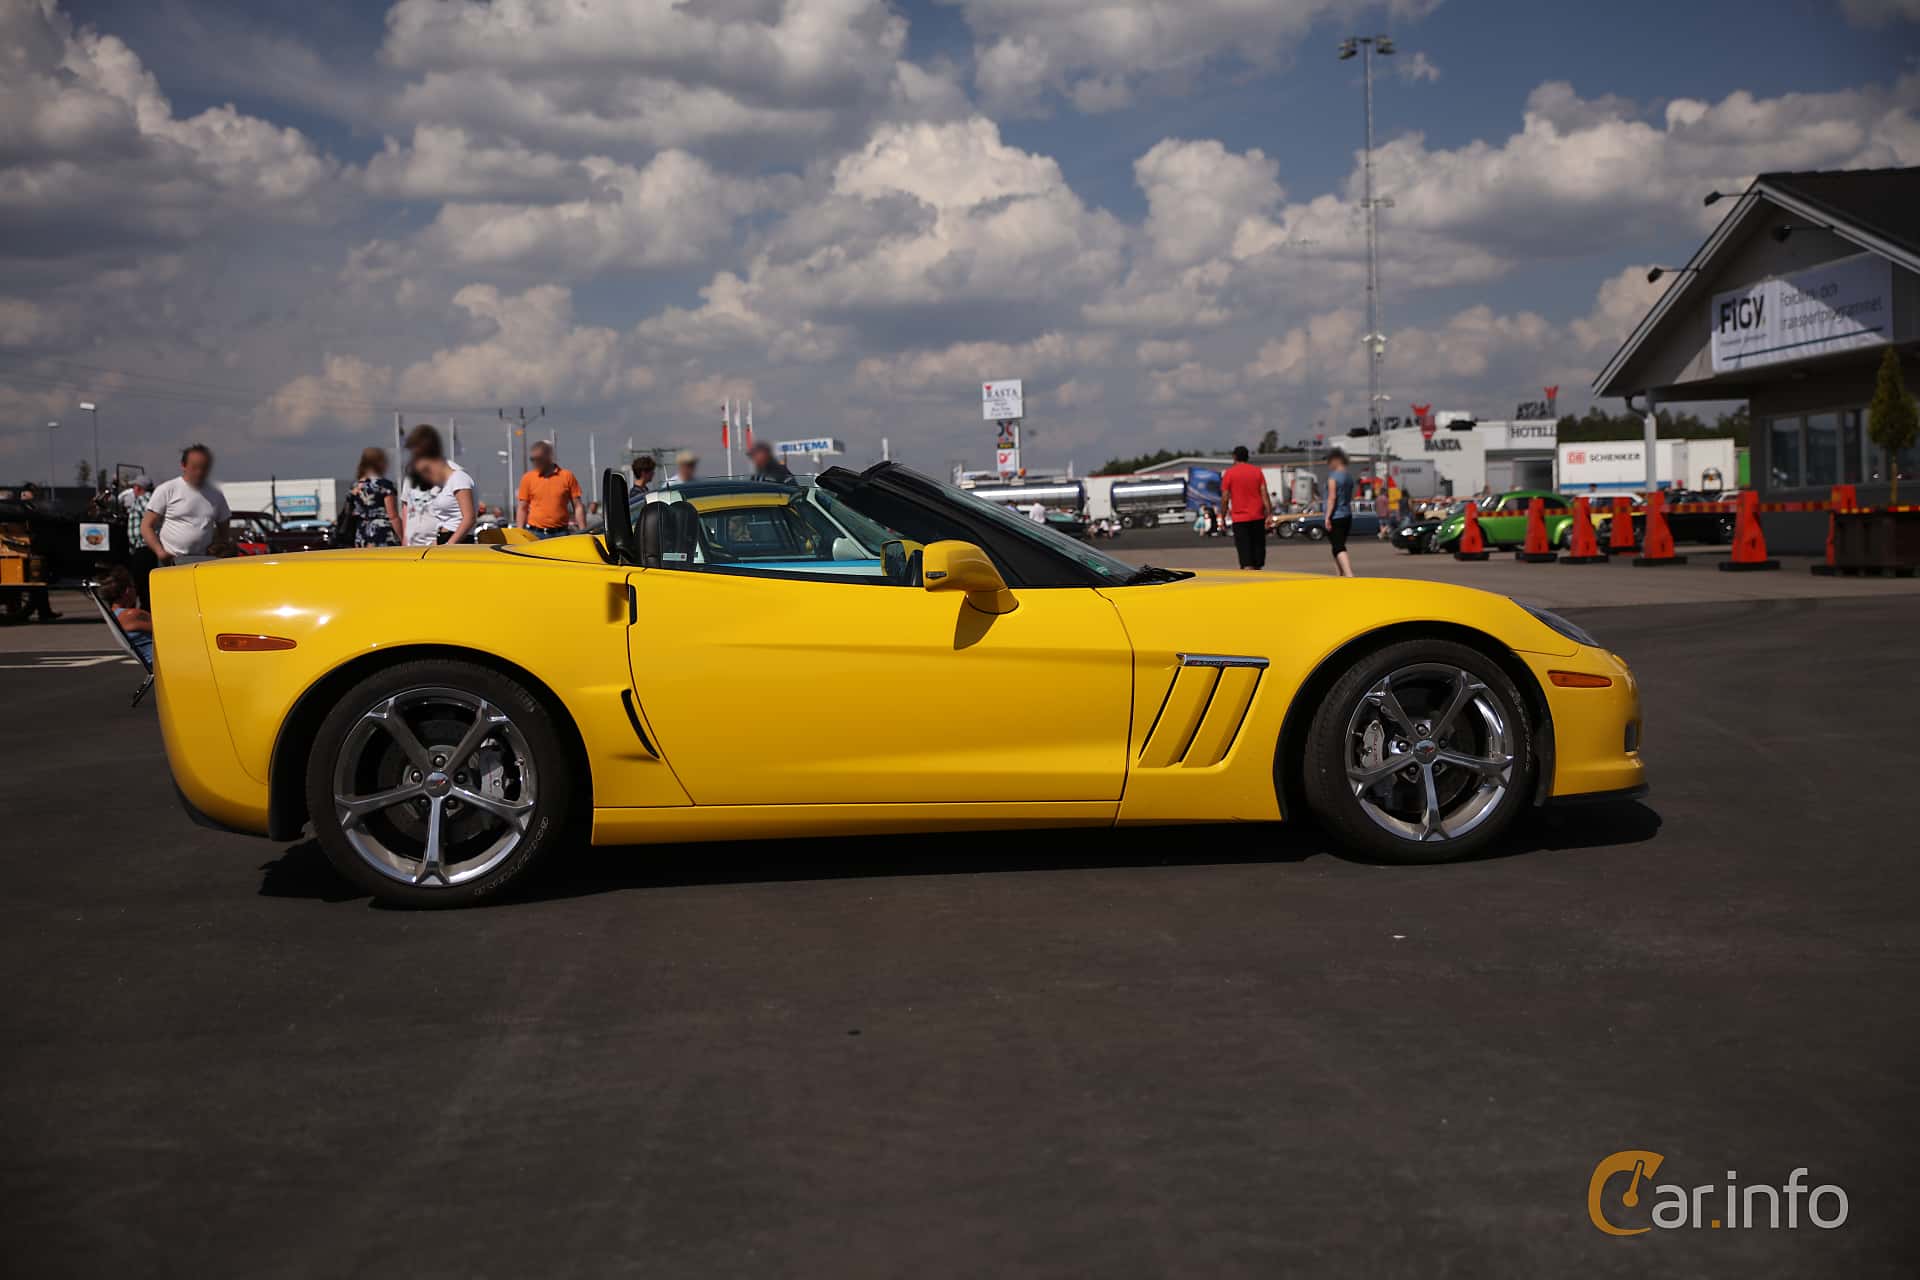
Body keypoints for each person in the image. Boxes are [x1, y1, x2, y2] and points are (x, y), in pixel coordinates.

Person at [135, 444, 230, 608]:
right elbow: (146, 526)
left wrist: (220, 546)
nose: (199, 472)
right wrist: (160, 552)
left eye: (203, 467)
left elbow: (224, 525)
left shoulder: (215, 494)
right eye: (194, 467)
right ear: (183, 466)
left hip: (203, 563)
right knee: (173, 606)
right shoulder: (168, 489)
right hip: (172, 562)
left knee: (200, 606)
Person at [405, 424, 477, 544]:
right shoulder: (442, 485)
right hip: (444, 538)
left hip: (457, 542)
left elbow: (469, 518)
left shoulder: (459, 478)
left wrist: (449, 544)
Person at [515, 439, 585, 538]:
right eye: (532, 459)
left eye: (538, 459)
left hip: (561, 533)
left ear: (548, 457)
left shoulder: (567, 476)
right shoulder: (528, 478)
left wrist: (583, 531)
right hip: (535, 533)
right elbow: (522, 508)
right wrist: (520, 533)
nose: (535, 462)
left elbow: (578, 506)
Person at [1221, 445, 1272, 570]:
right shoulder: (1257, 472)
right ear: (1247, 457)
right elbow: (1264, 494)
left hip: (1240, 519)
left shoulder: (1229, 474)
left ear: (1234, 457)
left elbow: (1225, 498)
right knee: (1257, 553)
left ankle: (1249, 576)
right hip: (1257, 516)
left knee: (1245, 554)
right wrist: (1269, 513)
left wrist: (1222, 516)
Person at [346, 447, 401, 548]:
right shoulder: (383, 485)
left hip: (361, 533)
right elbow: (393, 516)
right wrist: (402, 537)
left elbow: (350, 511)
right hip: (381, 533)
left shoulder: (355, 486)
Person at [99, 564, 153, 665]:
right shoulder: (132, 615)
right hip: (164, 662)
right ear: (127, 591)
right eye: (134, 587)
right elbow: (167, 631)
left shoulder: (114, 615)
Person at [1324, 447, 1356, 578]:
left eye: (1329, 461)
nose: (1328, 464)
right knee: (1337, 546)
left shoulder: (1333, 478)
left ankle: (1349, 574)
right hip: (1347, 514)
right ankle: (1340, 574)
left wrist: (1327, 517)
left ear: (1336, 460)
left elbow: (1332, 498)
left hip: (1336, 516)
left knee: (1338, 547)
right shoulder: (1349, 477)